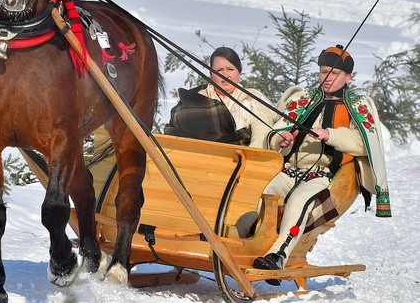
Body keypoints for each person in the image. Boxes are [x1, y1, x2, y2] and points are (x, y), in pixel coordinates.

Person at [253, 45, 391, 283]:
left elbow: (364, 143)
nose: (327, 79)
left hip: (322, 175)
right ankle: (243, 241)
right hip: (287, 169)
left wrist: (331, 135)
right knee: (260, 193)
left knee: (300, 201)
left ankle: (279, 254)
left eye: (334, 74)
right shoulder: (303, 99)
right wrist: (282, 140)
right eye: (323, 72)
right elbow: (276, 132)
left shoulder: (357, 105)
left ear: (348, 77)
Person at [164, 47, 276, 148]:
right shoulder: (193, 99)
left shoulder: (253, 99)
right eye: (219, 70)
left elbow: (262, 137)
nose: (225, 75)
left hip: (242, 162)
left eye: (230, 69)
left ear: (239, 73)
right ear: (210, 74)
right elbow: (173, 134)